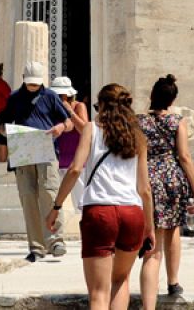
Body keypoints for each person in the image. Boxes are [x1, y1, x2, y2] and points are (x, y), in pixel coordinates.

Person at [45, 84, 154, 310]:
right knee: (121, 280)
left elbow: (75, 169)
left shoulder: (91, 129)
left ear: (102, 105)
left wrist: (56, 206)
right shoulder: (138, 137)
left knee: (98, 292)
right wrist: (149, 227)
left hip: (100, 211)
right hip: (132, 212)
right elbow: (145, 189)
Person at [0, 60, 76, 262]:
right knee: (28, 197)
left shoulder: (50, 96)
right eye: (30, 83)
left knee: (49, 192)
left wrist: (60, 128)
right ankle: (36, 246)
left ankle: (56, 240)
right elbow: (2, 125)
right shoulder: (14, 98)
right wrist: (7, 132)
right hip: (22, 153)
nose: (33, 87)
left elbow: (67, 122)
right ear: (24, 79)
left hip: (47, 150)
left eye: (36, 83)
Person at [137, 74, 194, 307]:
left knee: (151, 233)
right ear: (172, 100)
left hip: (146, 178)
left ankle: (149, 296)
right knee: (173, 230)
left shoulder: (139, 122)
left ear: (151, 96)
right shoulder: (177, 122)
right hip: (172, 179)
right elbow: (184, 156)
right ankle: (173, 281)